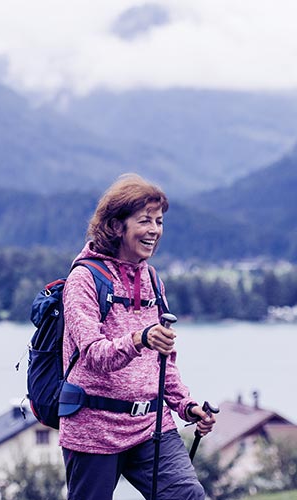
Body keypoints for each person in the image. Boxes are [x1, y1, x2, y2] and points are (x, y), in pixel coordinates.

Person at [60, 173, 216, 499]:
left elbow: (165, 360)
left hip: (151, 426)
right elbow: (94, 354)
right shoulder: (84, 279)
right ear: (117, 226)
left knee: (188, 496)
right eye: (144, 221)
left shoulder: (153, 279)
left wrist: (185, 406)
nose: (155, 230)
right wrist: (139, 339)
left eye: (159, 221)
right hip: (94, 428)